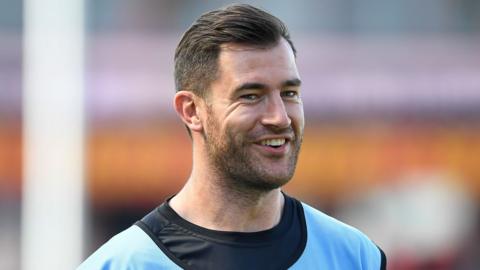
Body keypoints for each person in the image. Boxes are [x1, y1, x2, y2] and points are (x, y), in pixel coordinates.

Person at [78, 4, 386, 270]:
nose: (279, 117)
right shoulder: (124, 263)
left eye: (290, 93)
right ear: (191, 110)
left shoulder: (355, 256)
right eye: (251, 96)